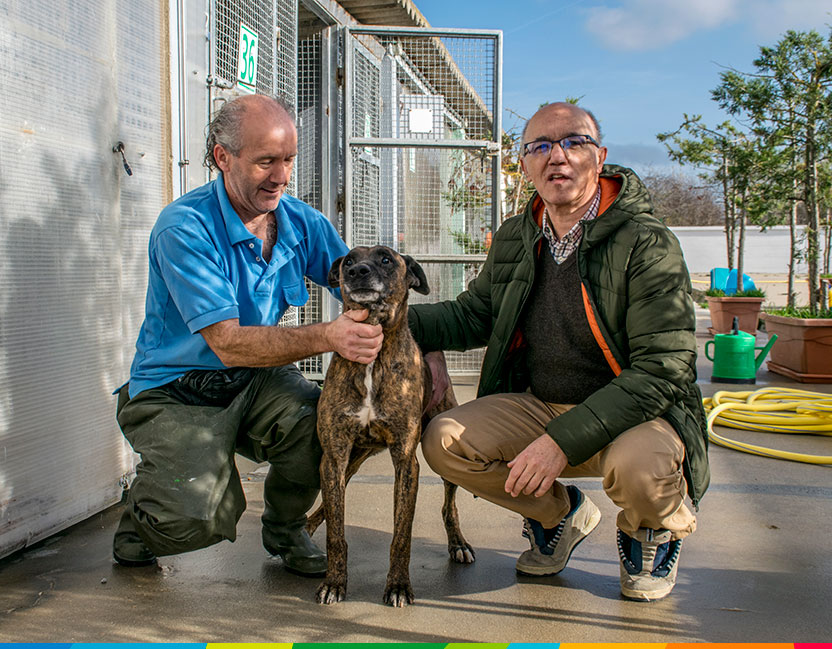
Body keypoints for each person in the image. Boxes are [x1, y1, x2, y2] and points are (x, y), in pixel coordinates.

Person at [410, 102, 708, 601]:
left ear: (600, 156)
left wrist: (561, 441)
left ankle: (652, 529)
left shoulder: (646, 242)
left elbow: (665, 369)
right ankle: (560, 514)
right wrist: (393, 322)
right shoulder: (517, 236)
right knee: (445, 439)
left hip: (634, 418)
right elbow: (473, 315)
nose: (558, 157)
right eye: (540, 146)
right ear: (524, 164)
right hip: (541, 404)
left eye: (574, 142)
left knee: (642, 469)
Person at [112, 94, 383, 576]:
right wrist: (330, 335)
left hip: (256, 379)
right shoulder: (185, 227)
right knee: (202, 518)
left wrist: (424, 353)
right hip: (175, 390)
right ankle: (143, 513)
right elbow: (227, 341)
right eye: (265, 162)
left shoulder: (301, 222)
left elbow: (362, 289)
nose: (281, 176)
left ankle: (285, 529)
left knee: (322, 424)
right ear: (223, 156)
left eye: (288, 160)